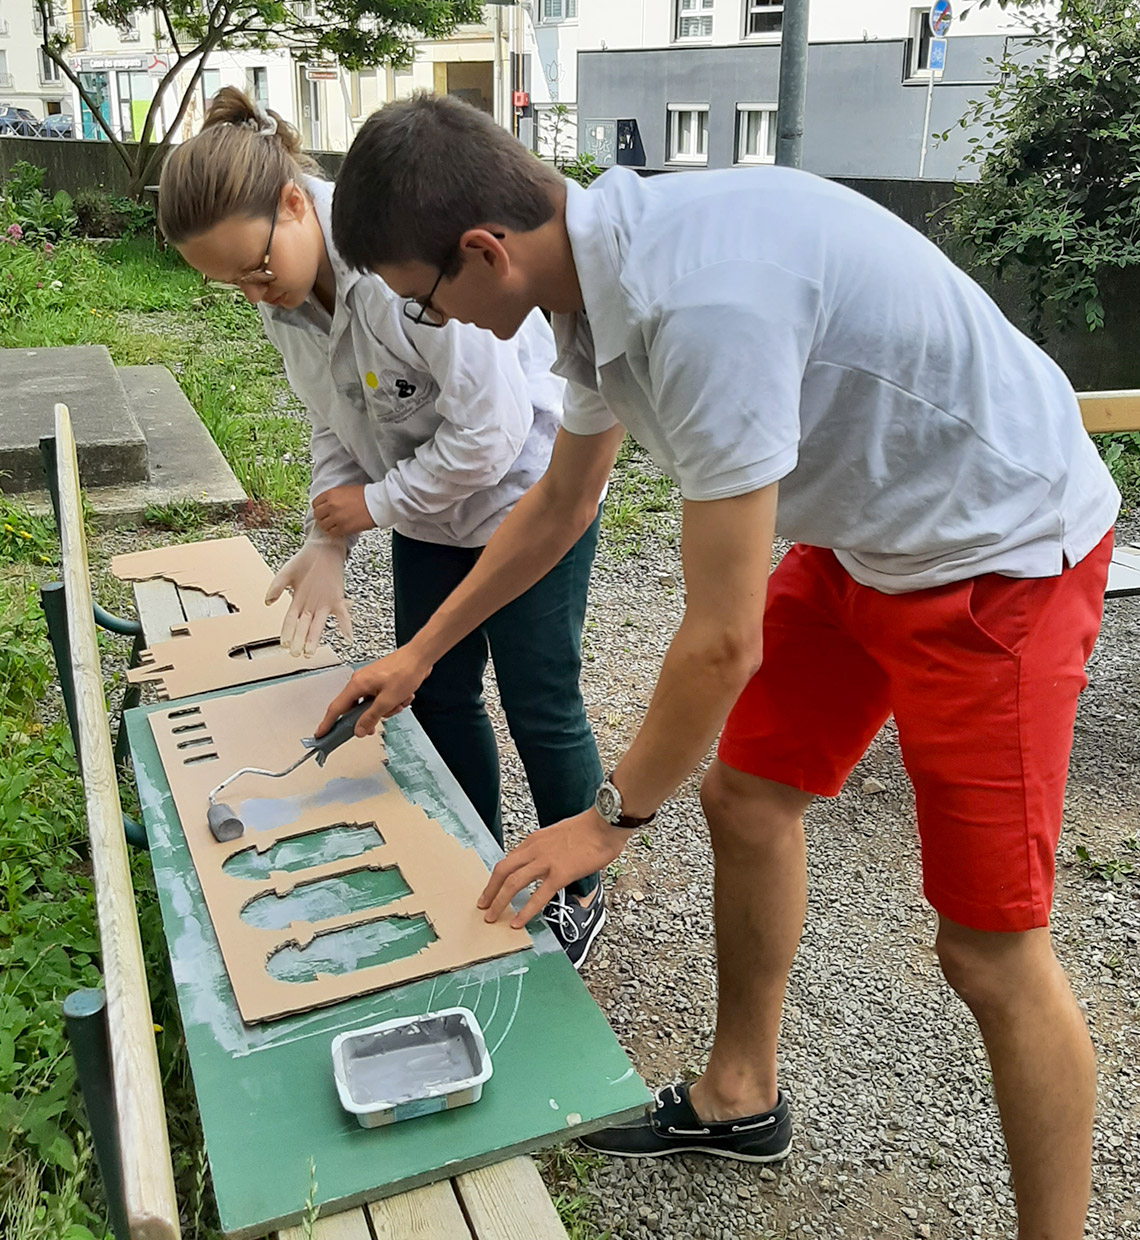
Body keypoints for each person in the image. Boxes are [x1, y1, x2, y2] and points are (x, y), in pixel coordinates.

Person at [317, 92, 1119, 1240]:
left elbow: (722, 637)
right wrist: (416, 653)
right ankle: (739, 1098)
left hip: (1000, 551)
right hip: (871, 536)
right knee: (745, 798)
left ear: (483, 251)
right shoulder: (593, 285)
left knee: (989, 953)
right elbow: (560, 504)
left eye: (425, 301)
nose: (434, 324)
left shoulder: (705, 306)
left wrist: (607, 817)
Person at [156, 87, 610, 967]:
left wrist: (375, 506)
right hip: (427, 507)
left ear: (294, 201)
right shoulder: (282, 293)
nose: (255, 291)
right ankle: (480, 855)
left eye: (254, 266)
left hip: (526, 500)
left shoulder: (395, 267)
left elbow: (494, 432)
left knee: (540, 700)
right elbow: (336, 419)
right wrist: (331, 536)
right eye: (230, 284)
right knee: (433, 688)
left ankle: (581, 886)